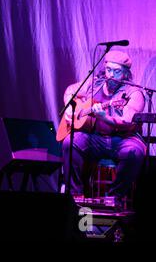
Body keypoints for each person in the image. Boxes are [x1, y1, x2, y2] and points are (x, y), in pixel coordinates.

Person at [62, 50, 146, 203]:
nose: (111, 75)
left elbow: (127, 122)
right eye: (108, 70)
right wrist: (69, 107)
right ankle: (74, 196)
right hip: (96, 138)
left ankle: (115, 197)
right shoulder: (94, 83)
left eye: (117, 71)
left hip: (123, 139)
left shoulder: (133, 93)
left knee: (134, 151)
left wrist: (104, 117)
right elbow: (70, 91)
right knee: (70, 142)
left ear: (126, 73)